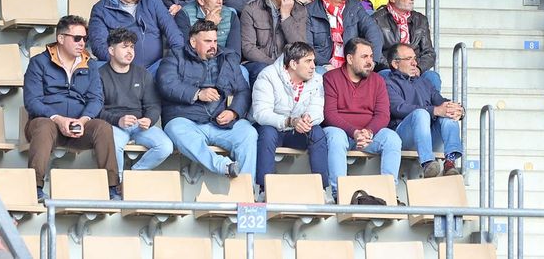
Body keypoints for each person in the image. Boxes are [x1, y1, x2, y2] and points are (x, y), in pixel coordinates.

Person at [23, 16, 119, 194]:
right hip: (47, 123)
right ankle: (35, 188)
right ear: (60, 38)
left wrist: (83, 120)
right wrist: (58, 119)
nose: (82, 43)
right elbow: (32, 101)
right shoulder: (39, 63)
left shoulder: (90, 65)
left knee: (103, 127)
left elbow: (96, 98)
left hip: (78, 126)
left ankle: (112, 187)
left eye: (85, 38)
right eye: (77, 38)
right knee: (44, 126)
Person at [156, 18, 255, 180]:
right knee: (175, 129)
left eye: (215, 41)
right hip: (188, 121)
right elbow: (166, 84)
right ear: (193, 42)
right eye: (208, 41)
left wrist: (233, 112)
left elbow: (243, 91)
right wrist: (197, 93)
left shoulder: (227, 58)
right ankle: (222, 166)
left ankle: (246, 192)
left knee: (248, 133)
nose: (213, 45)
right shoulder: (175, 56)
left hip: (221, 122)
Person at [321, 37, 402, 187]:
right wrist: (355, 132)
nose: (370, 61)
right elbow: (329, 114)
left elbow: (383, 114)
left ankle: (389, 192)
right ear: (350, 59)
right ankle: (338, 193)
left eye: (371, 56)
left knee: (392, 138)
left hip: (367, 136)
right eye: (364, 57)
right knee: (336, 137)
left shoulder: (378, 80)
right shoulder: (331, 78)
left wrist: (368, 132)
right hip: (342, 133)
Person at [249, 41, 329, 190]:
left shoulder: (317, 79)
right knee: (267, 132)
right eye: (308, 61)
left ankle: (323, 190)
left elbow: (318, 110)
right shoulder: (268, 76)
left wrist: (308, 119)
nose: (313, 66)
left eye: (313, 61)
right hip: (274, 130)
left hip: (296, 131)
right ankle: (263, 189)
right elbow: (261, 113)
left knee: (317, 132)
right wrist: (290, 121)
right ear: (293, 63)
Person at [98, 27, 174, 177]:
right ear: (111, 51)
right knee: (114, 146)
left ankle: (133, 177)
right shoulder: (99, 75)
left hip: (139, 125)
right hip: (113, 125)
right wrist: (118, 120)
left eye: (132, 47)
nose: (130, 51)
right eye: (124, 47)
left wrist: (149, 119)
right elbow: (95, 109)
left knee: (165, 146)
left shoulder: (143, 74)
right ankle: (117, 183)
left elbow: (153, 105)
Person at [384, 42, 464, 177]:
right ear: (395, 64)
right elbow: (399, 108)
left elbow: (440, 101)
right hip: (404, 135)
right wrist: (434, 110)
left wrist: (458, 109)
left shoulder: (423, 82)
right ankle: (427, 163)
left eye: (414, 58)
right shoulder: (387, 83)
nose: (414, 63)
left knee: (448, 114)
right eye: (408, 59)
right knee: (421, 114)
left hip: (427, 135)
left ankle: (449, 162)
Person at [88, 0, 182, 70]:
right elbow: (99, 47)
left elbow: (171, 28)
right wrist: (122, 66)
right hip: (122, 69)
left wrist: (178, 56)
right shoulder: (100, 10)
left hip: (155, 67)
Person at [306, 0, 382, 71]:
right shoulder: (310, 11)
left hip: (352, 63)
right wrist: (324, 64)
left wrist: (373, 59)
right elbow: (307, 46)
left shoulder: (355, 6)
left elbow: (373, 30)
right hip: (323, 66)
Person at [241, 0, 310, 80]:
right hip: (259, 63)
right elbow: (248, 48)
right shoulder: (252, 9)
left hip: (289, 64)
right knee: (263, 70)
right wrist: (274, 65)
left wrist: (286, 17)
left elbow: (301, 47)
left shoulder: (299, 10)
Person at [372, 0, 438, 83]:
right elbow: (375, 53)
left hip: (414, 67)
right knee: (384, 75)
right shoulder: (377, 20)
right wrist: (397, 68)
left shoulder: (421, 20)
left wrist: (418, 68)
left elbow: (429, 53)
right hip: (390, 68)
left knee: (432, 77)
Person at [179, 0, 243, 63]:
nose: (220, 1)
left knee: (243, 71)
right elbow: (185, 50)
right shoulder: (184, 15)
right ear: (201, 0)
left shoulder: (231, 16)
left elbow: (235, 55)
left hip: (223, 64)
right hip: (194, 64)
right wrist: (207, 25)